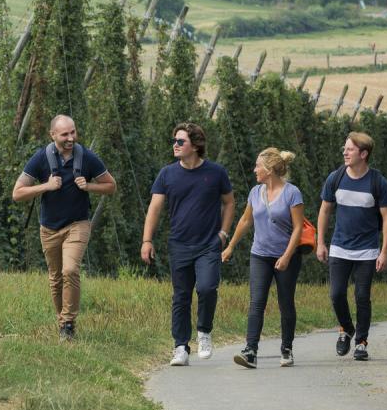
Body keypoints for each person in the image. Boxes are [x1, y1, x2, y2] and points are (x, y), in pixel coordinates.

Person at [12, 114, 116, 340]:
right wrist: (46, 186)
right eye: (65, 134)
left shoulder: (87, 157)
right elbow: (17, 193)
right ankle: (63, 323)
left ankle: (68, 324)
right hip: (48, 228)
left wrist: (88, 186)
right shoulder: (41, 158)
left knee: (70, 271)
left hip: (77, 224)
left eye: (73, 132)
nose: (71, 138)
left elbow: (110, 186)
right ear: (53, 135)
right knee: (56, 277)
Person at [141, 122, 235, 367]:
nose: (175, 145)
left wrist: (223, 233)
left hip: (208, 245)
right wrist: (147, 240)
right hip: (179, 244)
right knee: (181, 296)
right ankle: (180, 346)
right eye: (174, 140)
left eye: (180, 141)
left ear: (195, 145)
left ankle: (204, 332)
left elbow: (230, 202)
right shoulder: (167, 174)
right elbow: (154, 208)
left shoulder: (216, 173)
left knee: (206, 288)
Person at [222, 148, 304, 369]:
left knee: (285, 303)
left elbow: (298, 228)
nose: (254, 169)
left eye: (258, 166)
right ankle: (250, 351)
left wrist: (287, 256)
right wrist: (230, 246)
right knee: (256, 302)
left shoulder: (292, 193)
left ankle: (287, 348)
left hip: (286, 256)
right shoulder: (255, 192)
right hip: (260, 254)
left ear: (268, 170)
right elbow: (245, 221)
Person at [316, 132, 387, 361]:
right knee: (336, 294)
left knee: (362, 296)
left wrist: (384, 252)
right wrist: (320, 242)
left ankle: (361, 341)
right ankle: (346, 328)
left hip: (367, 250)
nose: (345, 152)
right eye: (345, 148)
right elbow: (325, 210)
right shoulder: (336, 177)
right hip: (339, 247)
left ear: (363, 154)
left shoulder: (378, 182)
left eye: (350, 149)